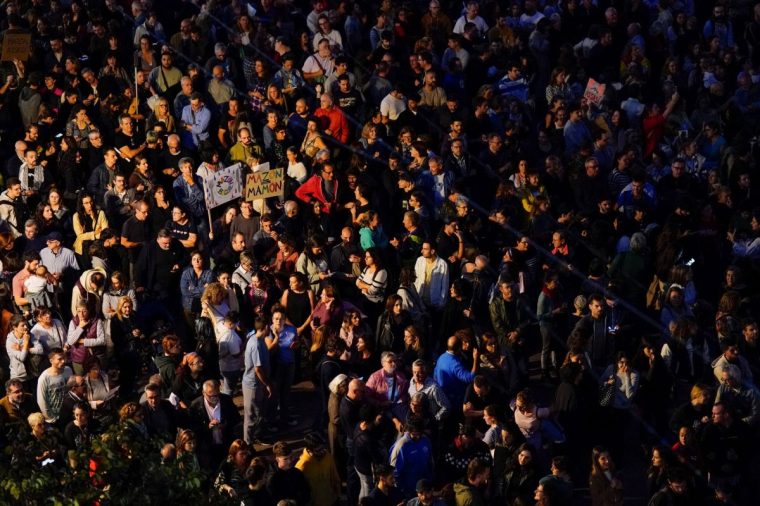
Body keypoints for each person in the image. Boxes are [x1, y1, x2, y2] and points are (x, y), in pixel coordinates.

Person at [242, 317, 272, 444]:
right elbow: (257, 369)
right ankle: (247, 444)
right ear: (265, 328)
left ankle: (257, 436)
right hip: (253, 385)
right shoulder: (255, 344)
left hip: (258, 384)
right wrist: (267, 384)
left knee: (259, 412)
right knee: (250, 416)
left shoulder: (259, 340)